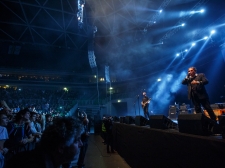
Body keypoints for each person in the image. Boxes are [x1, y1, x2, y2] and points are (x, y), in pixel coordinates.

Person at [5, 116, 83, 168]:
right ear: (61, 148)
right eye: (76, 141)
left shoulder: (29, 158)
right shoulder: (27, 164)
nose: (81, 144)